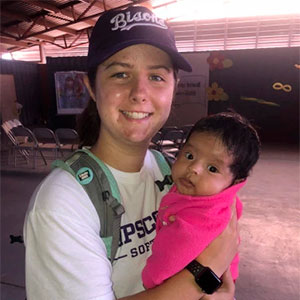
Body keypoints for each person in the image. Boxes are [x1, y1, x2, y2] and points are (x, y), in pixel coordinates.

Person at [24, 5, 239, 300]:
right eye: (121, 74)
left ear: (174, 87)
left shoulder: (173, 173)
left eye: (156, 77)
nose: (139, 92)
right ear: (91, 86)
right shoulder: (63, 205)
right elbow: (214, 265)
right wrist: (206, 271)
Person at [142, 112, 261, 289]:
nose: (194, 169)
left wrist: (150, 280)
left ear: (234, 181)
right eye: (189, 156)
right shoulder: (209, 195)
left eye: (212, 168)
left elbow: (169, 259)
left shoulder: (202, 216)